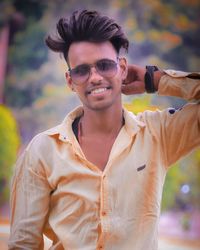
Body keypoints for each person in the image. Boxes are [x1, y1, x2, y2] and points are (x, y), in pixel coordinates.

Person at [8, 9, 200, 250]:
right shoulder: (43, 150)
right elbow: (23, 243)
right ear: (70, 81)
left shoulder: (158, 134)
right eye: (81, 70)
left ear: (122, 68)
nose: (95, 77)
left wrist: (156, 80)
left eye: (104, 65)